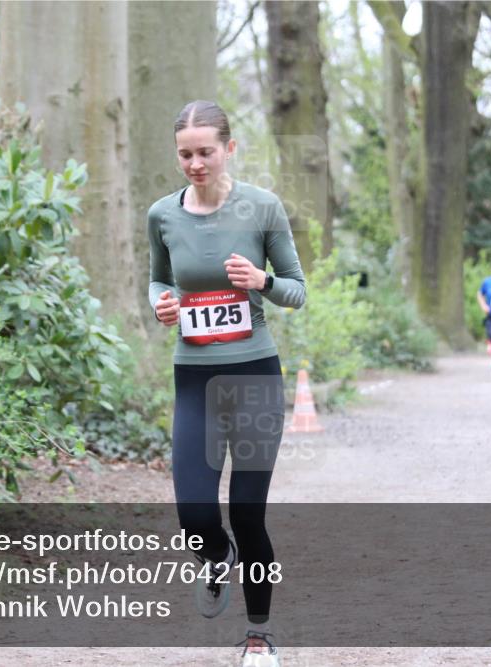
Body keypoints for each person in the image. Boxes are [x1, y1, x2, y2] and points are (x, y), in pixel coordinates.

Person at [147, 100, 305, 666]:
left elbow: (297, 289)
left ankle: (259, 634)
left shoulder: (262, 207)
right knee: (193, 511)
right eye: (185, 154)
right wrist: (162, 305)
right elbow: (157, 280)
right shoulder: (162, 215)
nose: (194, 163)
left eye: (205, 152)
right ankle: (216, 557)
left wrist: (262, 279)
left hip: (255, 376)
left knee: (247, 512)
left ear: (229, 149)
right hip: (194, 378)